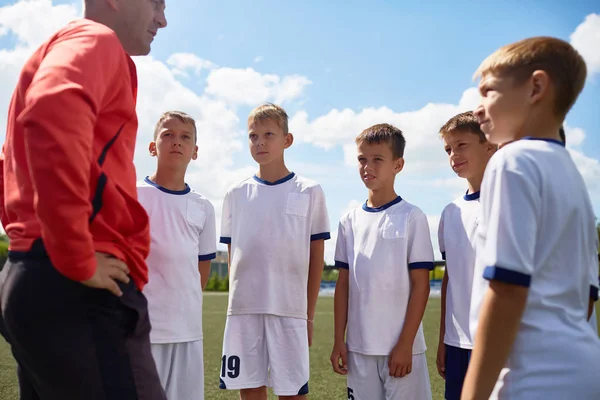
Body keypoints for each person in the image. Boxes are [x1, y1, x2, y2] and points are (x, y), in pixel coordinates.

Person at [0, 1, 168, 399]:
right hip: (77, 289)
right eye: (157, 3)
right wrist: (76, 255)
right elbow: (52, 110)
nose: (162, 19)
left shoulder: (51, 51)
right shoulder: (96, 39)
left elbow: (9, 161)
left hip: (31, 272)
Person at [462, 36, 600, 400]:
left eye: (488, 91)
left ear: (536, 86)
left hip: (534, 376)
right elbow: (587, 296)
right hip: (583, 369)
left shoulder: (513, 161)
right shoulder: (571, 174)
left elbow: (507, 287)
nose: (478, 108)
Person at [218, 103, 330, 399]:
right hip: (244, 310)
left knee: (292, 393)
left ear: (287, 140)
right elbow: (233, 254)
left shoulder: (309, 190)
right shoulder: (235, 193)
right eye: (253, 136)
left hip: (289, 310)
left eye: (269, 134)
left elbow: (316, 256)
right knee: (250, 389)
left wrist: (308, 315)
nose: (260, 142)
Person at [331, 123, 434, 400]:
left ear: (398, 164)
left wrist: (405, 344)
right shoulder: (348, 221)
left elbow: (421, 286)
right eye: (362, 159)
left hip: (401, 350)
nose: (368, 167)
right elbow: (343, 286)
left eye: (378, 159)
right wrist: (339, 340)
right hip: (359, 350)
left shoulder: (413, 217)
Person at [137, 111, 216, 399]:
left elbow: (201, 271)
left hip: (188, 331)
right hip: (143, 331)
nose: (176, 142)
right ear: (152, 146)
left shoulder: (203, 206)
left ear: (195, 151)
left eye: (185, 137)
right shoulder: (132, 195)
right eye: (168, 134)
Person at [436, 112, 496, 400]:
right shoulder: (450, 213)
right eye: (448, 149)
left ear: (490, 145)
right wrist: (443, 339)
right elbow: (452, 276)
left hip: (499, 340)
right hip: (457, 343)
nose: (453, 155)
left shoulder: (508, 200)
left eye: (461, 145)